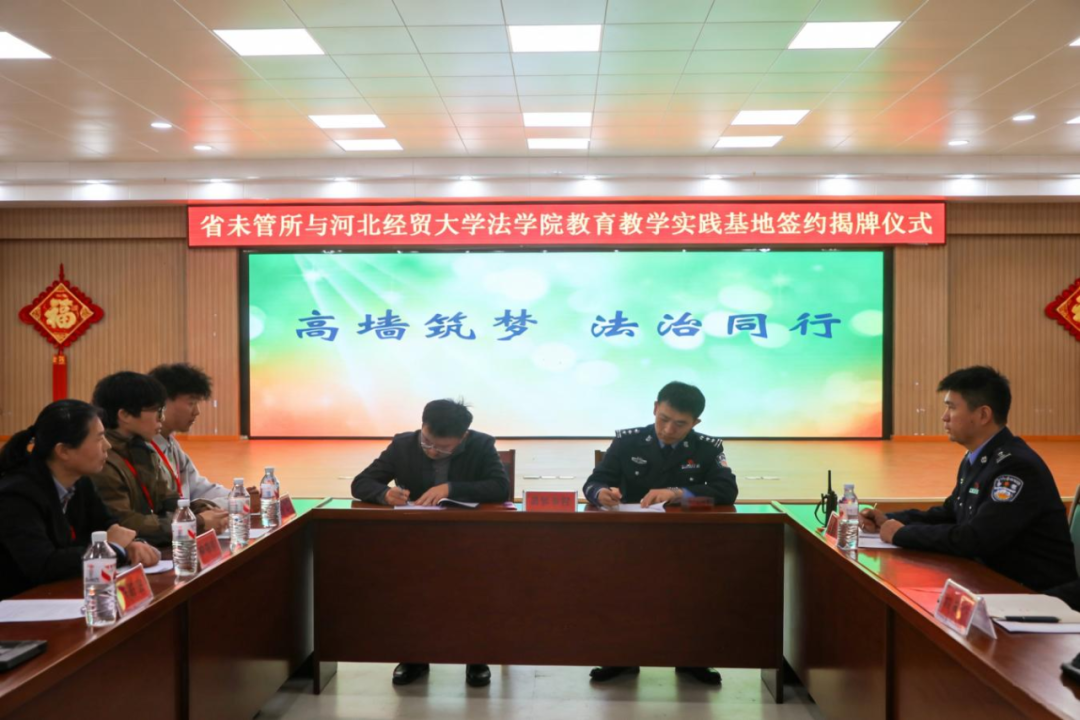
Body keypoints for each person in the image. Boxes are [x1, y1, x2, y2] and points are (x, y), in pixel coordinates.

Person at [860, 366, 1077, 592]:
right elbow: (951, 513)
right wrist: (889, 519)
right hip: (993, 583)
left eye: (952, 407)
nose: (944, 417)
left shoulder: (1016, 468)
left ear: (983, 415)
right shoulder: (977, 458)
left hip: (1035, 595)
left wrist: (901, 534)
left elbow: (976, 538)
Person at [582, 381, 738, 686]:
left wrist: (678, 494)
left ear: (695, 423)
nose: (668, 429)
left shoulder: (708, 448)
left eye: (680, 424)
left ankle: (693, 659)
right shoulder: (627, 442)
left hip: (687, 541)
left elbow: (726, 492)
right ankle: (621, 658)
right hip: (631, 539)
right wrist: (601, 493)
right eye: (663, 419)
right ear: (655, 408)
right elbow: (593, 482)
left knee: (693, 596)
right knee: (623, 595)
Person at [351, 398, 509, 688]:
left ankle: (477, 657)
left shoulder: (481, 445)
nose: (433, 451)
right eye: (427, 442)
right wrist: (384, 494)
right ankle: (413, 657)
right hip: (416, 539)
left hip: (469, 540)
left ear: (463, 436)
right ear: (422, 426)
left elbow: (500, 488)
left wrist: (451, 488)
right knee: (409, 589)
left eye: (443, 448)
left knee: (476, 588)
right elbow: (361, 482)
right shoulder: (403, 444)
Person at [0, 400, 160, 599]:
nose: (108, 446)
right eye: (99, 438)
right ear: (63, 451)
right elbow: (44, 565)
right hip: (21, 604)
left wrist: (131, 545)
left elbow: (109, 527)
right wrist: (114, 549)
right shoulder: (16, 495)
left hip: (65, 595)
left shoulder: (80, 482)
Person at [90, 371, 228, 547]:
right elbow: (126, 523)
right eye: (157, 411)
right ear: (125, 415)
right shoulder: (102, 459)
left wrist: (203, 509)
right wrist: (196, 522)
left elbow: (167, 500)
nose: (161, 418)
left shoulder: (140, 449)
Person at [148, 363, 230, 508]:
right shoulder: (144, 450)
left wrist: (238, 495)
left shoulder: (172, 445)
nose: (197, 412)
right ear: (163, 402)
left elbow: (199, 488)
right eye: (191, 403)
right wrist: (230, 502)